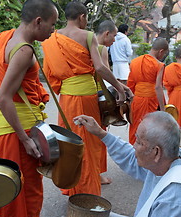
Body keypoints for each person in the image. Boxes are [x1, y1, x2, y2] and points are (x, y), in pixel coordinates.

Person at [74, 112, 181, 217]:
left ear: (155, 152)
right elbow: (131, 157)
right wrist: (100, 133)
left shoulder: (176, 194)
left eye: (138, 141)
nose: (134, 146)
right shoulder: (170, 158)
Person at [0, 1, 58, 217]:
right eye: (52, 24)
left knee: (4, 195)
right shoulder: (24, 50)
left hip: (1, 130)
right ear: (38, 21)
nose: (52, 31)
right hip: (16, 132)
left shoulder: (4, 38)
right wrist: (25, 139)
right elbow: (4, 98)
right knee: (23, 198)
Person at [42, 1, 128, 197]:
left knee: (68, 141)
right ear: (82, 17)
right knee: (87, 143)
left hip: (66, 98)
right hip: (86, 97)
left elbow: (49, 72)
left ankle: (71, 186)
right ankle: (86, 192)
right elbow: (99, 68)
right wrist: (119, 88)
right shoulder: (87, 35)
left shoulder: (51, 39)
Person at [127, 38, 168, 144]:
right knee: (148, 129)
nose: (162, 57)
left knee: (136, 126)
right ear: (161, 51)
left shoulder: (134, 62)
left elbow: (130, 84)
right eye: (164, 55)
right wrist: (163, 108)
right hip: (150, 100)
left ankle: (133, 152)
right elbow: (158, 87)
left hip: (136, 100)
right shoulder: (159, 65)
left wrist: (130, 101)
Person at [96, 20, 119, 185]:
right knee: (98, 134)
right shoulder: (102, 49)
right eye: (114, 36)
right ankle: (97, 174)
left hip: (83, 92)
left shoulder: (82, 45)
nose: (114, 40)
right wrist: (120, 88)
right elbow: (105, 72)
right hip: (99, 95)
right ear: (106, 33)